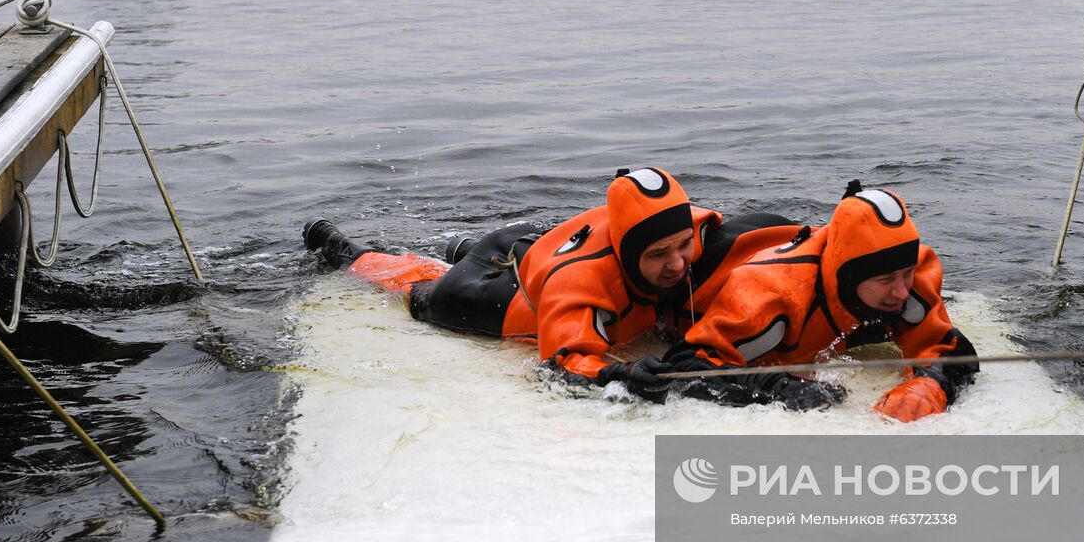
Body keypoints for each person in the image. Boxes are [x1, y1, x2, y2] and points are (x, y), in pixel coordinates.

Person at [303, 167, 801, 399]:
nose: (677, 264)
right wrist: (619, 376)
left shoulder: (688, 230)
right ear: (627, 254)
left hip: (536, 244)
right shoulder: (582, 287)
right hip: (494, 297)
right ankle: (345, 251)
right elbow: (562, 366)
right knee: (421, 290)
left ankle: (459, 250)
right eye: (657, 255)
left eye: (681, 247)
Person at [663, 181, 978, 421]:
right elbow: (686, 365)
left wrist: (930, 385)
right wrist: (780, 388)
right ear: (849, 278)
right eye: (885, 281)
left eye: (906, 274)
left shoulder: (909, 277)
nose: (900, 291)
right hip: (728, 258)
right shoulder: (771, 295)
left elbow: (950, 347)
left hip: (789, 237)